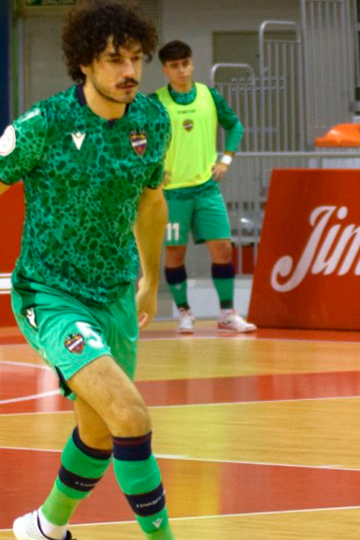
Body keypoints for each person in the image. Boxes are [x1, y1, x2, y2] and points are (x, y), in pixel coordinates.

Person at [0, 1, 176, 538]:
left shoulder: (152, 119)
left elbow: (152, 204)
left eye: (136, 59)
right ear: (84, 63)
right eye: (114, 60)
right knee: (131, 416)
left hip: (117, 292)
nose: (129, 72)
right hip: (50, 295)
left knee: (99, 434)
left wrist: (150, 281)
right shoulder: (44, 124)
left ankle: (45, 527)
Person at [152, 40, 256, 334]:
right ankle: (185, 313)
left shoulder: (210, 96)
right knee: (174, 255)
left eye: (185, 63)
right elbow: (135, 137)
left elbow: (235, 126)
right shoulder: (155, 102)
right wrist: (152, 170)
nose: (181, 70)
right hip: (172, 194)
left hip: (207, 189)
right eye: (174, 66)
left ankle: (227, 313)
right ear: (165, 69)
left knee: (223, 249)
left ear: (192, 63)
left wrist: (226, 159)